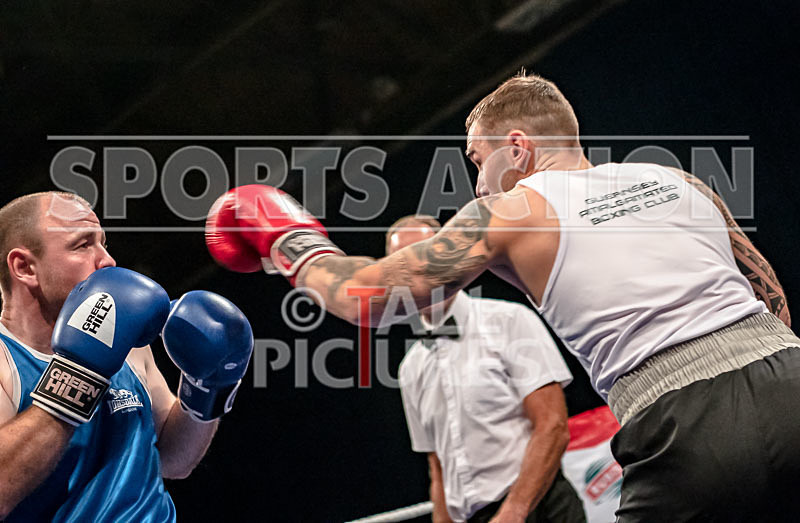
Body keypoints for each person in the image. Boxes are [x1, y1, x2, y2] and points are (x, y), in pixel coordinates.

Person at [205, 72, 798, 521]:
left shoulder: (508, 210)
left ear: (517, 149)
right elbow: (765, 290)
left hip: (683, 428)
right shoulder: (675, 178)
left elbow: (366, 298)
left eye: (477, 160)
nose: (476, 180)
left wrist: (287, 240)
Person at [0, 191, 253, 521]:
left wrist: (208, 388)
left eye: (103, 243)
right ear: (24, 267)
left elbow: (174, 461)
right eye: (82, 245)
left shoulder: (132, 345)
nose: (106, 261)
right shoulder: (5, 359)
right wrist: (78, 373)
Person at [386, 215, 584, 523]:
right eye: (400, 263)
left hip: (539, 508)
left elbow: (553, 425)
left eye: (423, 254)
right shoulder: (410, 369)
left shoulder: (508, 321)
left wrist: (514, 512)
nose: (413, 270)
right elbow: (438, 467)